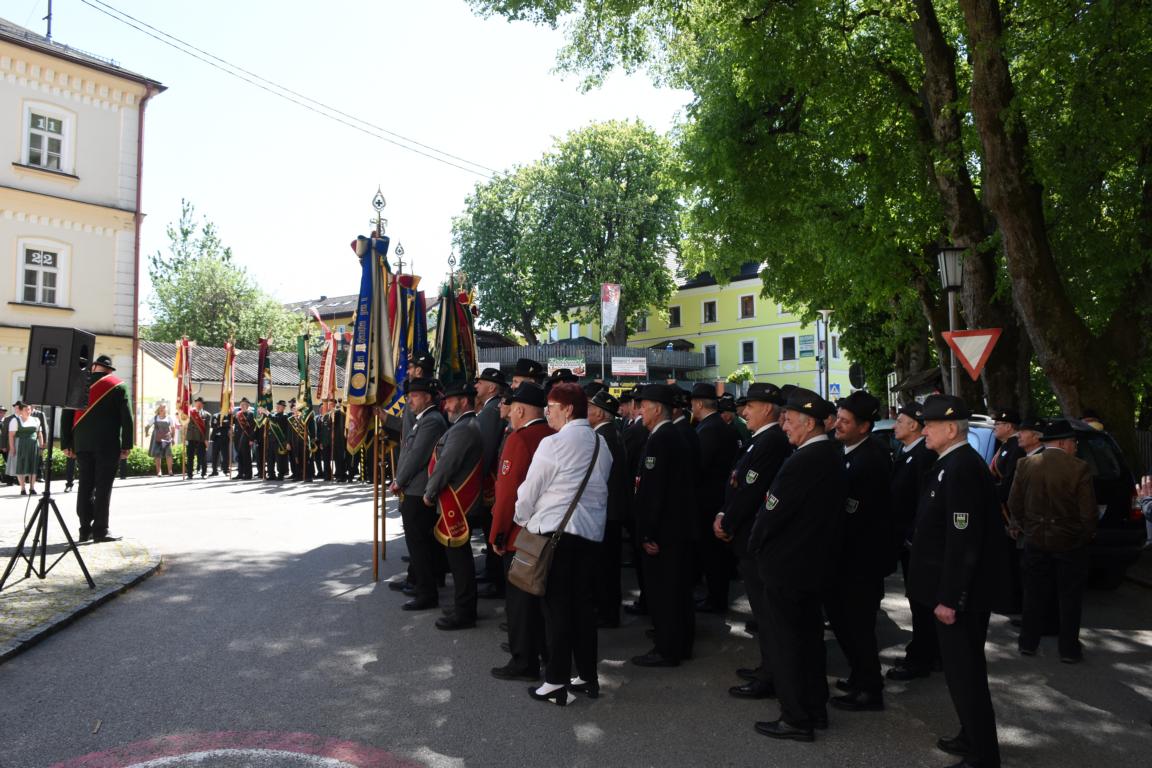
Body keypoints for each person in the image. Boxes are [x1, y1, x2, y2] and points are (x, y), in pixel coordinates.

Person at [910, 394, 1011, 768]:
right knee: (959, 675)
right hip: (951, 591)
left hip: (961, 598)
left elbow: (963, 540)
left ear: (951, 428)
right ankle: (970, 735)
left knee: (967, 677)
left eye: (929, 426)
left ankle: (983, 756)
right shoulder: (950, 464)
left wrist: (951, 598)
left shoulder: (962, 467)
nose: (924, 432)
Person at [749, 388, 845, 742]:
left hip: (788, 566)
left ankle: (795, 718)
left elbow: (771, 512)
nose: (784, 425)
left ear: (808, 423)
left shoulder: (803, 460)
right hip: (811, 564)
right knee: (809, 640)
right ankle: (814, 709)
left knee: (788, 643)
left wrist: (754, 543)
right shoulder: (830, 454)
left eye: (788, 420)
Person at [514, 383, 612, 705]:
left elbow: (530, 490)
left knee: (556, 611)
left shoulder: (553, 443)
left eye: (552, 407)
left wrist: (521, 517)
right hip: (590, 536)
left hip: (556, 535)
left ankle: (556, 681)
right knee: (582, 607)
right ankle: (586, 676)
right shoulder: (601, 443)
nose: (548, 413)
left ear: (568, 409)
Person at [715, 382, 792, 700]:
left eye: (751, 406)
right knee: (762, 614)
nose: (744, 412)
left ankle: (772, 676)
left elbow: (752, 491)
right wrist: (724, 513)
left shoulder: (772, 441)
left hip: (754, 538)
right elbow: (737, 483)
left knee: (768, 616)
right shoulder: (759, 439)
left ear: (768, 409)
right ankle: (768, 667)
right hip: (745, 534)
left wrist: (728, 522)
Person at [1008, 419, 1097, 662]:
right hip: (1069, 542)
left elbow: (1014, 502)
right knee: (1069, 599)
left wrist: (1026, 527)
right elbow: (1088, 512)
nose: (1075, 447)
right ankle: (1068, 650)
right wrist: (1084, 535)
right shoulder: (1079, 468)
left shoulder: (1025, 464)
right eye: (1074, 442)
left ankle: (1028, 643)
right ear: (1063, 443)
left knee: (1033, 594)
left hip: (1035, 539)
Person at [826, 390, 893, 713]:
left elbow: (854, 515)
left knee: (858, 627)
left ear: (864, 426)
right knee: (845, 623)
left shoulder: (870, 459)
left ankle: (869, 689)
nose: (837, 425)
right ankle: (859, 677)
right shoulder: (850, 451)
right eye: (837, 418)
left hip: (860, 561)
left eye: (845, 421)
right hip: (849, 559)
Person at [489, 382, 554, 681]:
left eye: (511, 408)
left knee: (519, 603)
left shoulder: (519, 439)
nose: (508, 413)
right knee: (542, 602)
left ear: (520, 410)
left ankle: (523, 662)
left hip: (520, 534)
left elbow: (507, 494)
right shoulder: (553, 435)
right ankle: (546, 655)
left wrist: (498, 533)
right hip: (549, 529)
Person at [631, 383, 695, 668]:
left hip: (664, 532)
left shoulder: (661, 438)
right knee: (677, 591)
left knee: (665, 593)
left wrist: (648, 533)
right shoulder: (673, 434)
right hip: (676, 529)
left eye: (644, 406)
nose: (640, 411)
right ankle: (680, 643)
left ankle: (667, 649)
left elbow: (654, 492)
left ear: (657, 409)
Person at [423, 381, 484, 631]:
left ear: (464, 401)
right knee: (459, 559)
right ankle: (464, 605)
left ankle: (465, 612)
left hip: (458, 502)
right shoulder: (465, 425)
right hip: (458, 500)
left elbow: (445, 465)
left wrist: (430, 492)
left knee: (460, 561)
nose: (445, 405)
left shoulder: (463, 429)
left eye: (449, 400)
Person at [887, 401, 940, 682]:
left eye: (900, 421)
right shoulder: (906, 451)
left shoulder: (923, 455)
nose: (895, 425)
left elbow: (921, 501)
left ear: (913, 425)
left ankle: (923, 656)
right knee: (917, 599)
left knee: (922, 600)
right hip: (905, 539)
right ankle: (923, 650)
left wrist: (911, 537)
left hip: (916, 541)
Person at [60, 354, 133, 543]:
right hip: (108, 445)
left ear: (93, 367)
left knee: (85, 485)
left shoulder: (77, 385)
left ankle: (84, 529)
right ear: (109, 370)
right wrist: (126, 445)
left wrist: (66, 443)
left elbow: (66, 415)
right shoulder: (118, 385)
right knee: (103, 487)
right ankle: (100, 530)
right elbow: (127, 418)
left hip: (82, 444)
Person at [390, 378, 449, 610]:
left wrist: (399, 480)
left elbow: (416, 456)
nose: (410, 401)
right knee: (421, 543)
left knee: (419, 545)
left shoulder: (431, 421)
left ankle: (426, 593)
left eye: (414, 396)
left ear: (427, 397)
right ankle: (422, 583)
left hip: (417, 489)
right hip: (414, 488)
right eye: (409, 396)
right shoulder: (424, 419)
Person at [690, 382, 741, 614]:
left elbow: (699, 465)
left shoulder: (709, 429)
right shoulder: (719, 425)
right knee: (715, 554)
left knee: (712, 554)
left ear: (699, 404)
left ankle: (716, 599)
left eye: (693, 403)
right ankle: (716, 596)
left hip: (708, 500)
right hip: (718, 497)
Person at [586, 389, 629, 628]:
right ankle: (607, 609)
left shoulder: (603, 437)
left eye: (591, 408)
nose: (587, 411)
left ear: (601, 414)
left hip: (607, 511)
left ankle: (607, 612)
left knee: (605, 566)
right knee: (606, 564)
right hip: (612, 509)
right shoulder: (610, 433)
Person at [475, 367, 509, 600]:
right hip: (492, 480)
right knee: (489, 529)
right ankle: (491, 572)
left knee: (492, 529)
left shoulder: (490, 411)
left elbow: (485, 450)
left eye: (481, 382)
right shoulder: (490, 407)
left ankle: (495, 578)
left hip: (490, 481)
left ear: (492, 387)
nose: (476, 386)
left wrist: (477, 480)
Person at [8, 402, 44, 495]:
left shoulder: (36, 420)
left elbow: (39, 434)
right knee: (21, 466)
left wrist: (41, 446)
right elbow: (11, 435)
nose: (28, 411)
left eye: (29, 409)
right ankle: (23, 488)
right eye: (26, 410)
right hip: (21, 445)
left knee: (33, 466)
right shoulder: (15, 420)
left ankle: (32, 488)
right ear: (20, 411)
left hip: (33, 445)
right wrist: (12, 448)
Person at [145, 403, 176, 476]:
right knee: (157, 454)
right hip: (157, 438)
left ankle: (170, 471)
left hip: (167, 437)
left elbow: (173, 429)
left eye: (164, 408)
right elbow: (147, 427)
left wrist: (173, 438)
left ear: (166, 409)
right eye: (161, 408)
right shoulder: (155, 418)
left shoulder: (169, 418)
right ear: (158, 410)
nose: (162, 409)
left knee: (169, 454)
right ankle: (159, 472)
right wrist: (146, 433)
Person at [185, 397, 210, 478]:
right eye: (197, 403)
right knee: (190, 457)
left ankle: (204, 473)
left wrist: (206, 439)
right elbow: (184, 423)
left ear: (203, 405)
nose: (199, 405)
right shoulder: (189, 413)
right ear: (195, 404)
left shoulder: (207, 415)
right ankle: (189, 474)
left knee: (202, 457)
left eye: (200, 404)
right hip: (191, 437)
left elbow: (207, 429)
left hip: (201, 438)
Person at [232, 398, 256, 480]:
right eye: (241, 404)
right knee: (239, 456)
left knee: (246, 456)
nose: (242, 406)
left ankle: (248, 474)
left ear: (248, 405)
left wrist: (251, 439)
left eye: (244, 404)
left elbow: (252, 428)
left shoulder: (251, 414)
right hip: (237, 438)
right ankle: (240, 473)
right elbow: (233, 423)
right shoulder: (238, 414)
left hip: (246, 437)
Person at [210, 408, 231, 476]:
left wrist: (219, 424)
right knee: (214, 455)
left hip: (224, 438)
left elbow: (228, 424)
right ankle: (214, 471)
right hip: (216, 438)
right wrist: (221, 424)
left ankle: (226, 470)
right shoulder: (215, 415)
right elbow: (212, 425)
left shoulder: (228, 416)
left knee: (225, 455)